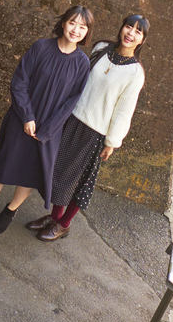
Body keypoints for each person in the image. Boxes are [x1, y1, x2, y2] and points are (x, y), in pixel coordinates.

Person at [27, 13, 149, 241]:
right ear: (121, 27)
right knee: (58, 173)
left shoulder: (135, 73)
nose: (131, 33)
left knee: (78, 181)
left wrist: (112, 142)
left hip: (95, 131)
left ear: (142, 40)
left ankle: (63, 224)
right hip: (72, 118)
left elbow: (124, 111)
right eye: (128, 27)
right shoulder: (102, 48)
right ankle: (54, 217)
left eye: (138, 31)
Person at [0, 5, 94, 235]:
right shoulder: (41, 47)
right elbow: (19, 81)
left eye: (82, 27)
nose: (76, 30)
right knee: (4, 163)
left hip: (49, 130)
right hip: (21, 118)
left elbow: (72, 102)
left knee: (30, 173)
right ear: (63, 23)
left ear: (87, 32)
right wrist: (27, 116)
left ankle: (11, 210)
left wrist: (47, 130)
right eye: (72, 23)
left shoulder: (82, 64)